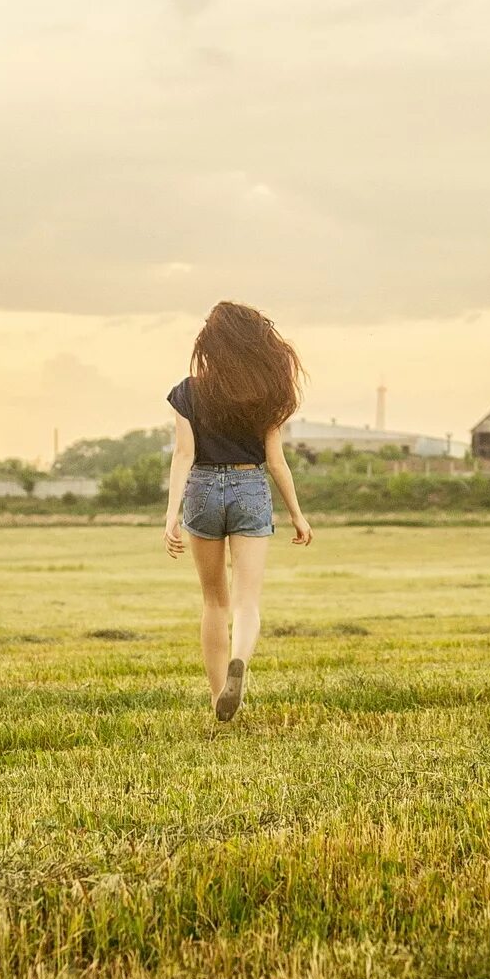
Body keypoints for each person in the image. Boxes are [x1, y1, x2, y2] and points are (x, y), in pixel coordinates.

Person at [163, 301, 313, 721]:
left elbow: (183, 454)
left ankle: (217, 701)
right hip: (250, 486)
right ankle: (240, 660)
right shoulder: (264, 395)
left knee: (214, 602)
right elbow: (277, 461)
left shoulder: (187, 392)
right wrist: (297, 514)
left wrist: (171, 514)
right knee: (247, 602)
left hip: (203, 489)